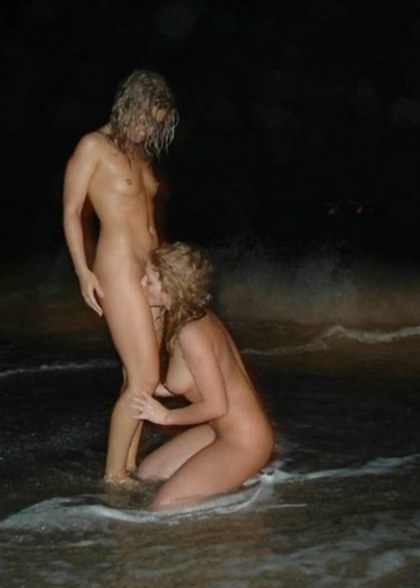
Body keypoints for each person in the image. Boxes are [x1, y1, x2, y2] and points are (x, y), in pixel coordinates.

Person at [62, 70, 179, 484]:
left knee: (138, 374)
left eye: (155, 126)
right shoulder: (92, 146)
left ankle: (128, 464)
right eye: (145, 120)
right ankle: (114, 477)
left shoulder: (141, 155)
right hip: (118, 266)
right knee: (146, 376)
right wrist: (83, 271)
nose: (147, 132)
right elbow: (71, 212)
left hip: (153, 269)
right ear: (128, 104)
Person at [131, 243, 275, 510]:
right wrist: (153, 386)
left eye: (148, 280)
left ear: (171, 289)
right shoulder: (193, 318)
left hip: (245, 440)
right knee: (147, 474)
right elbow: (193, 379)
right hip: (217, 430)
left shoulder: (191, 334)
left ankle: (235, 512)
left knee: (165, 506)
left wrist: (165, 416)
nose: (140, 283)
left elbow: (216, 406)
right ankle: (225, 482)